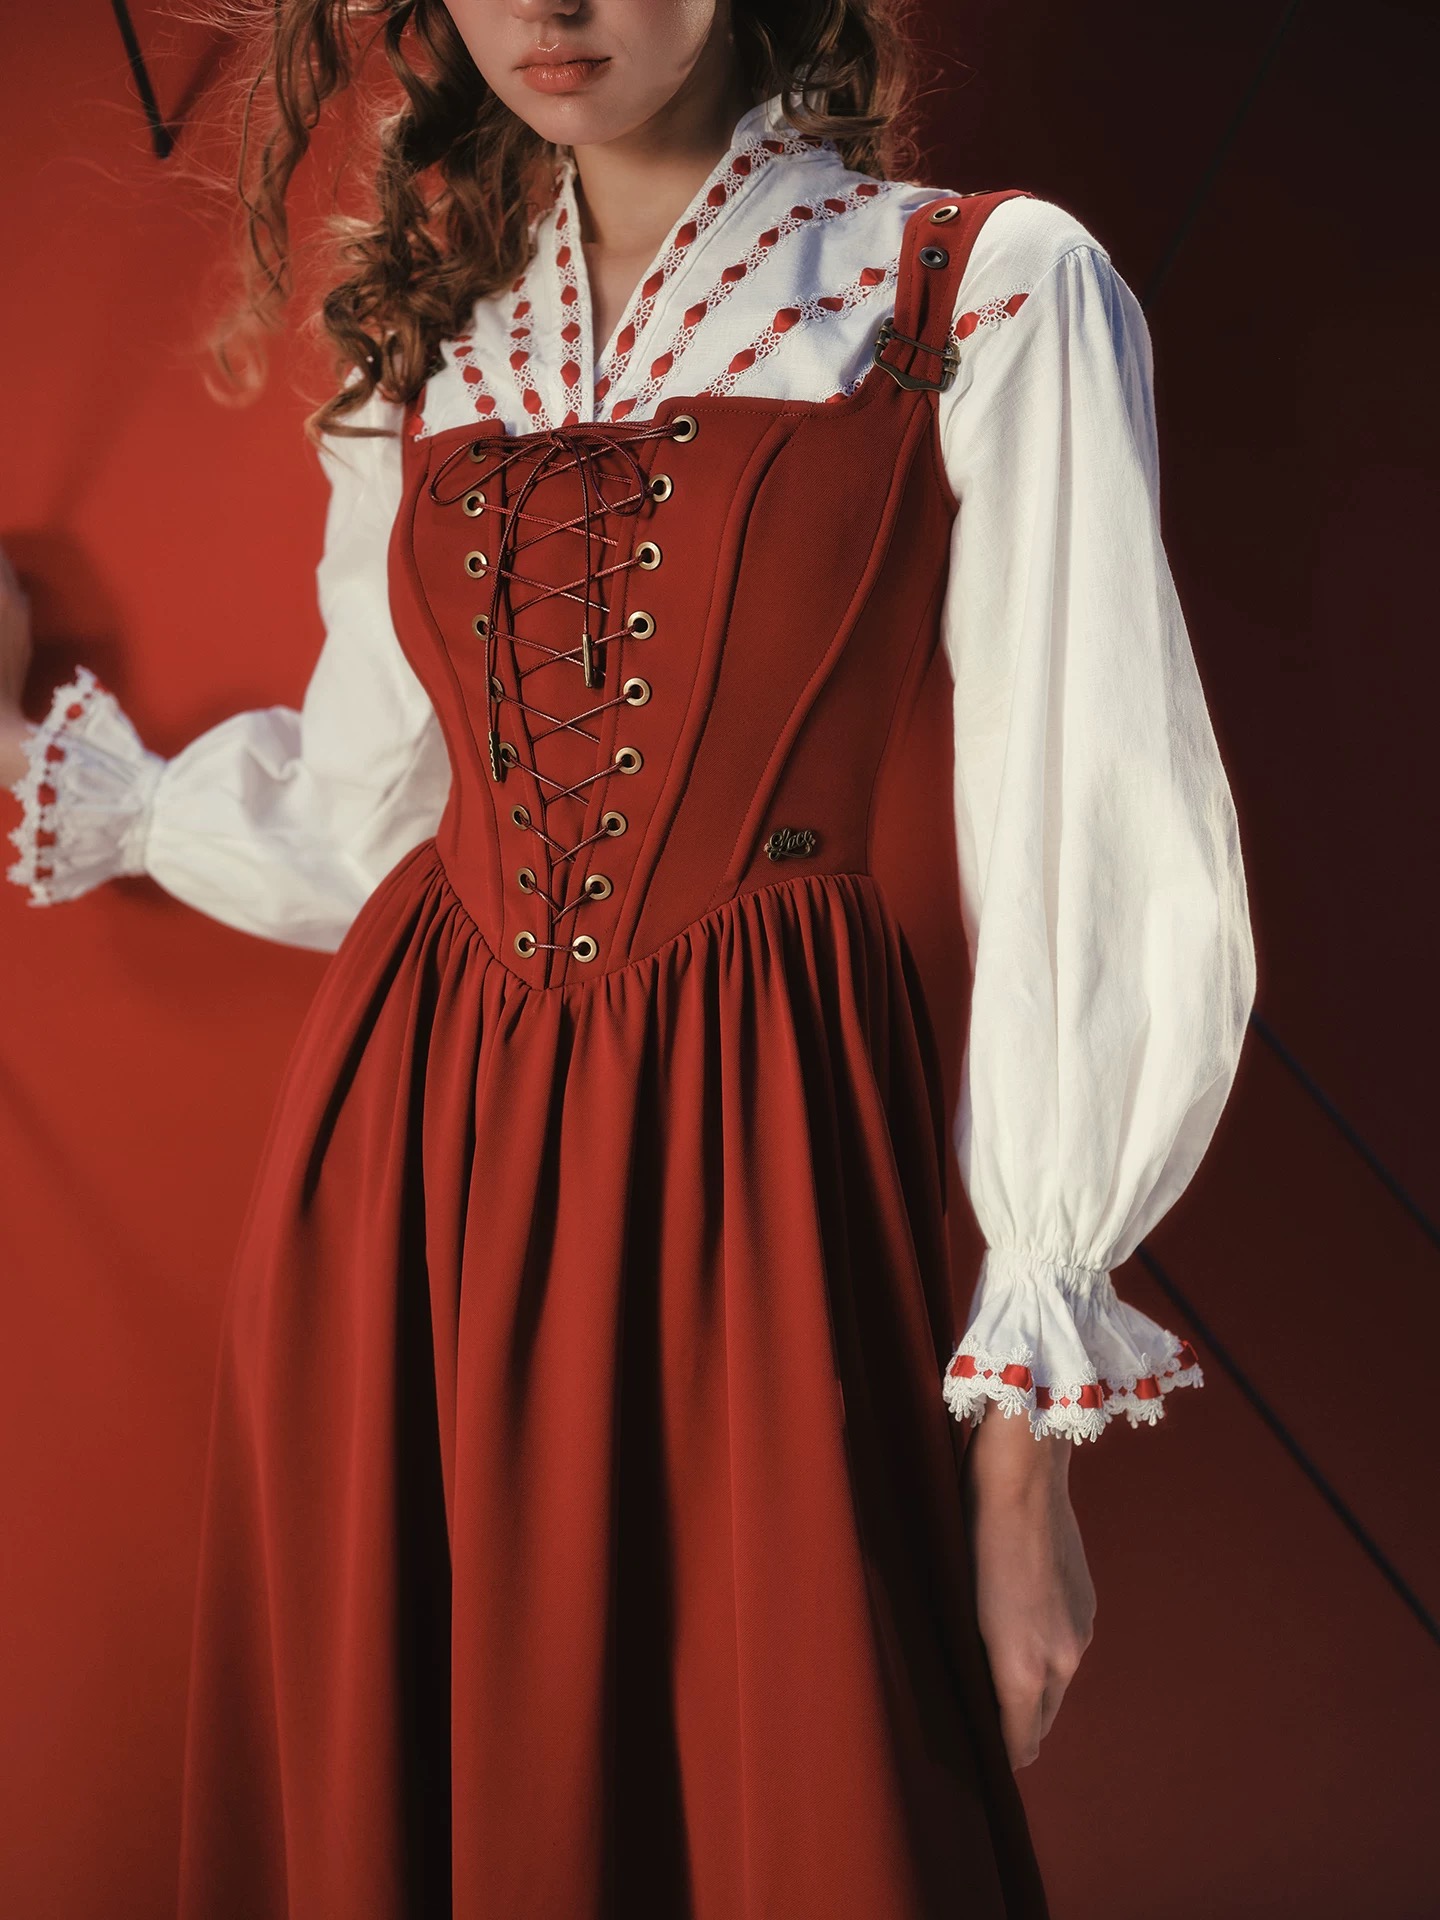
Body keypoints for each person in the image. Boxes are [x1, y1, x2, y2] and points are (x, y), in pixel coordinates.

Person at [0, 0, 1258, 1913]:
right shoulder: (427, 340)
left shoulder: (983, 286)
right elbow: (364, 813)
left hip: (759, 1170)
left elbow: (1087, 837)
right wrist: (45, 768)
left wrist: (1026, 1469)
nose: (553, 11)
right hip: (405, 1186)